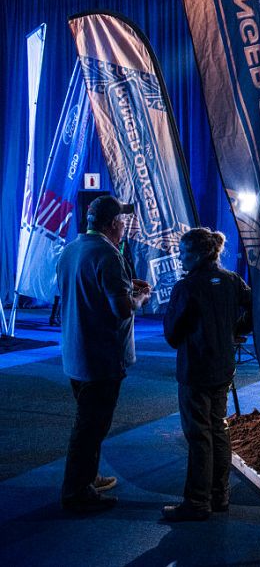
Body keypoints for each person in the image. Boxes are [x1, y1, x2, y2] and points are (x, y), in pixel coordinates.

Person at [57, 195, 151, 513]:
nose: (125, 226)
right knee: (91, 426)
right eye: (122, 221)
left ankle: (88, 477)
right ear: (113, 224)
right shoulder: (108, 255)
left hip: (75, 354)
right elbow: (122, 310)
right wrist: (140, 297)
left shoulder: (72, 249)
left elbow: (88, 293)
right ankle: (76, 492)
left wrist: (125, 286)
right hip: (100, 358)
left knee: (89, 422)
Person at [162, 228, 252, 522]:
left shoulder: (187, 287)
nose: (180, 257)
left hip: (196, 368)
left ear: (199, 254)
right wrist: (236, 331)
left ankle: (198, 501)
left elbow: (173, 335)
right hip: (223, 366)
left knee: (200, 434)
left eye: (185, 252)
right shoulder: (231, 280)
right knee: (218, 428)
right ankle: (219, 494)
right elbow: (255, 307)